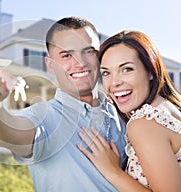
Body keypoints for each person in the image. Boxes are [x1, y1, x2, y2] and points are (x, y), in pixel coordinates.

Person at [0, 16, 127, 191]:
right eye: (67, 55)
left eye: (89, 51)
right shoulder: (43, 116)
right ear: (50, 64)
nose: (80, 63)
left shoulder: (121, 111)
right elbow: (8, 133)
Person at [77, 30, 181, 192]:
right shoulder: (169, 108)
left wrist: (112, 171)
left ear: (150, 71)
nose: (114, 83)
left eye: (127, 69)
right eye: (106, 73)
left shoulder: (145, 124)